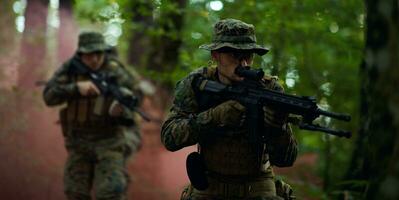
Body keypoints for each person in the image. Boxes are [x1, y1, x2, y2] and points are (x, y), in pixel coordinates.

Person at [161, 19, 297, 200]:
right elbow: (170, 138)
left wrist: (277, 127)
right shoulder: (197, 83)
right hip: (210, 184)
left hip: (257, 185)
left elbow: (286, 160)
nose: (244, 63)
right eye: (234, 54)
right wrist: (214, 116)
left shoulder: (269, 89)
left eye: (249, 55)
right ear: (215, 54)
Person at [43, 31, 142, 200]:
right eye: (89, 54)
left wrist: (120, 109)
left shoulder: (116, 70)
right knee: (75, 193)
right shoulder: (69, 69)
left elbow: (135, 97)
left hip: (110, 140)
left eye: (99, 53)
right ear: (81, 53)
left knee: (110, 193)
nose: (95, 59)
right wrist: (76, 88)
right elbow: (49, 96)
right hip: (78, 142)